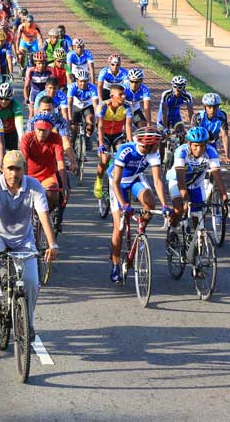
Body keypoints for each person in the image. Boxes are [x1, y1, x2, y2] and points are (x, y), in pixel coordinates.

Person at [0, 150, 58, 326]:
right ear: (2, 169)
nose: (14, 173)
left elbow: (44, 215)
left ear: (25, 170)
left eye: (18, 169)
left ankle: (28, 323)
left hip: (23, 239)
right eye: (10, 168)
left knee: (31, 282)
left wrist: (52, 244)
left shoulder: (34, 185)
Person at [107, 127, 170, 283]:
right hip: (117, 182)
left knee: (150, 203)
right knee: (119, 227)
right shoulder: (125, 150)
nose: (159, 147)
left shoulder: (153, 153)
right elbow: (115, 182)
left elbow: (157, 180)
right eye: (157, 144)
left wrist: (164, 205)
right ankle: (115, 264)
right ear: (148, 144)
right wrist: (123, 205)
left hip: (135, 178)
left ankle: (141, 229)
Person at [165, 126, 228, 251]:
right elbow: (180, 178)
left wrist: (224, 196)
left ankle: (196, 248)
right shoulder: (181, 151)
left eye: (202, 146)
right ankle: (172, 229)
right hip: (177, 181)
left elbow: (217, 176)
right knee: (179, 208)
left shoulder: (211, 152)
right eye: (195, 146)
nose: (199, 149)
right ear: (189, 143)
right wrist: (184, 198)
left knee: (199, 215)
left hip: (196, 184)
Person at [21, 112, 69, 232]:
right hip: (30, 175)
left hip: (48, 176)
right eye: (39, 129)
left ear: (51, 129)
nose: (41, 133)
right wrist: (24, 182)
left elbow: (60, 163)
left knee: (54, 194)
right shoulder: (27, 138)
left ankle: (52, 216)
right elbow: (23, 162)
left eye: (45, 130)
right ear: (34, 128)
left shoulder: (56, 138)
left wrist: (63, 185)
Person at [94, 84, 133, 198]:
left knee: (124, 156)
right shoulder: (103, 105)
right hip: (104, 135)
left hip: (117, 136)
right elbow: (100, 126)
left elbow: (128, 126)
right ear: (112, 96)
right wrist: (101, 144)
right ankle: (99, 180)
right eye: (120, 94)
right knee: (105, 158)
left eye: (124, 94)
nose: (123, 97)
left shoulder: (127, 106)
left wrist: (130, 142)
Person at [66, 69, 100, 147]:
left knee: (91, 122)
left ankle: (88, 138)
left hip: (87, 105)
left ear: (88, 81)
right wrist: (70, 118)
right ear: (77, 80)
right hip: (75, 105)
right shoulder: (72, 87)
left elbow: (95, 104)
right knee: (74, 126)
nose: (83, 83)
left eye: (85, 81)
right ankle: (73, 140)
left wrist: (97, 117)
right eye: (81, 81)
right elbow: (70, 103)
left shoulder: (93, 87)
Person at [192, 92, 229, 161]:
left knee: (214, 162)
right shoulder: (197, 116)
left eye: (215, 107)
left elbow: (225, 136)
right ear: (205, 107)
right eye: (209, 107)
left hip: (212, 141)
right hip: (198, 142)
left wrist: (227, 156)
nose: (212, 110)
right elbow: (193, 136)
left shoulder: (222, 116)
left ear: (218, 107)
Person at [0, 82, 24, 151]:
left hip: (11, 134)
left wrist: (22, 142)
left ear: (11, 98)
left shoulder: (16, 105)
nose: (3, 101)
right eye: (1, 98)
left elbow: (19, 127)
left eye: (7, 99)